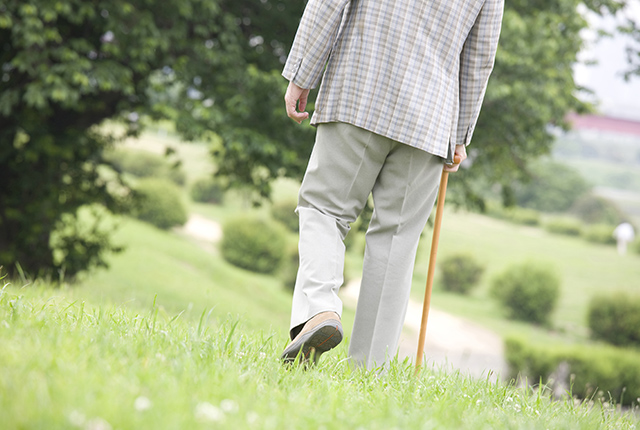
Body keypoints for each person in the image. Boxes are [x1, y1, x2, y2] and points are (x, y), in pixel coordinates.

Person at [280, 0, 504, 369]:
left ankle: (319, 309)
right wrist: (461, 133)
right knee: (396, 240)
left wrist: (302, 74)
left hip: (358, 90)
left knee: (324, 208)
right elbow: (480, 56)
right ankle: (368, 369)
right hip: (431, 118)